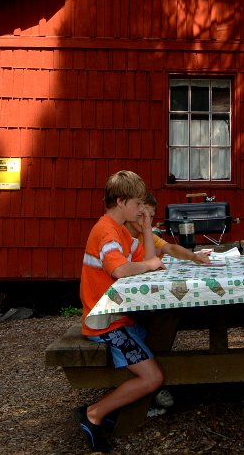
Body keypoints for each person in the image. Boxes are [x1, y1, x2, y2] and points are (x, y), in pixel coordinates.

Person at [77, 170, 167, 452]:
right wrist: (150, 266)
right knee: (153, 378)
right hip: (105, 323)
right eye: (138, 204)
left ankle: (112, 407)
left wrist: (147, 225)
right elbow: (120, 269)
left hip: (117, 317)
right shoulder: (106, 232)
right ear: (120, 201)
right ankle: (93, 414)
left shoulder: (121, 231)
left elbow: (150, 259)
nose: (142, 209)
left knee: (155, 335)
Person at [126, 193, 211, 265]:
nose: (146, 220)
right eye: (142, 215)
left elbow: (171, 248)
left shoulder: (146, 236)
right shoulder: (119, 234)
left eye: (150, 216)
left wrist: (193, 256)